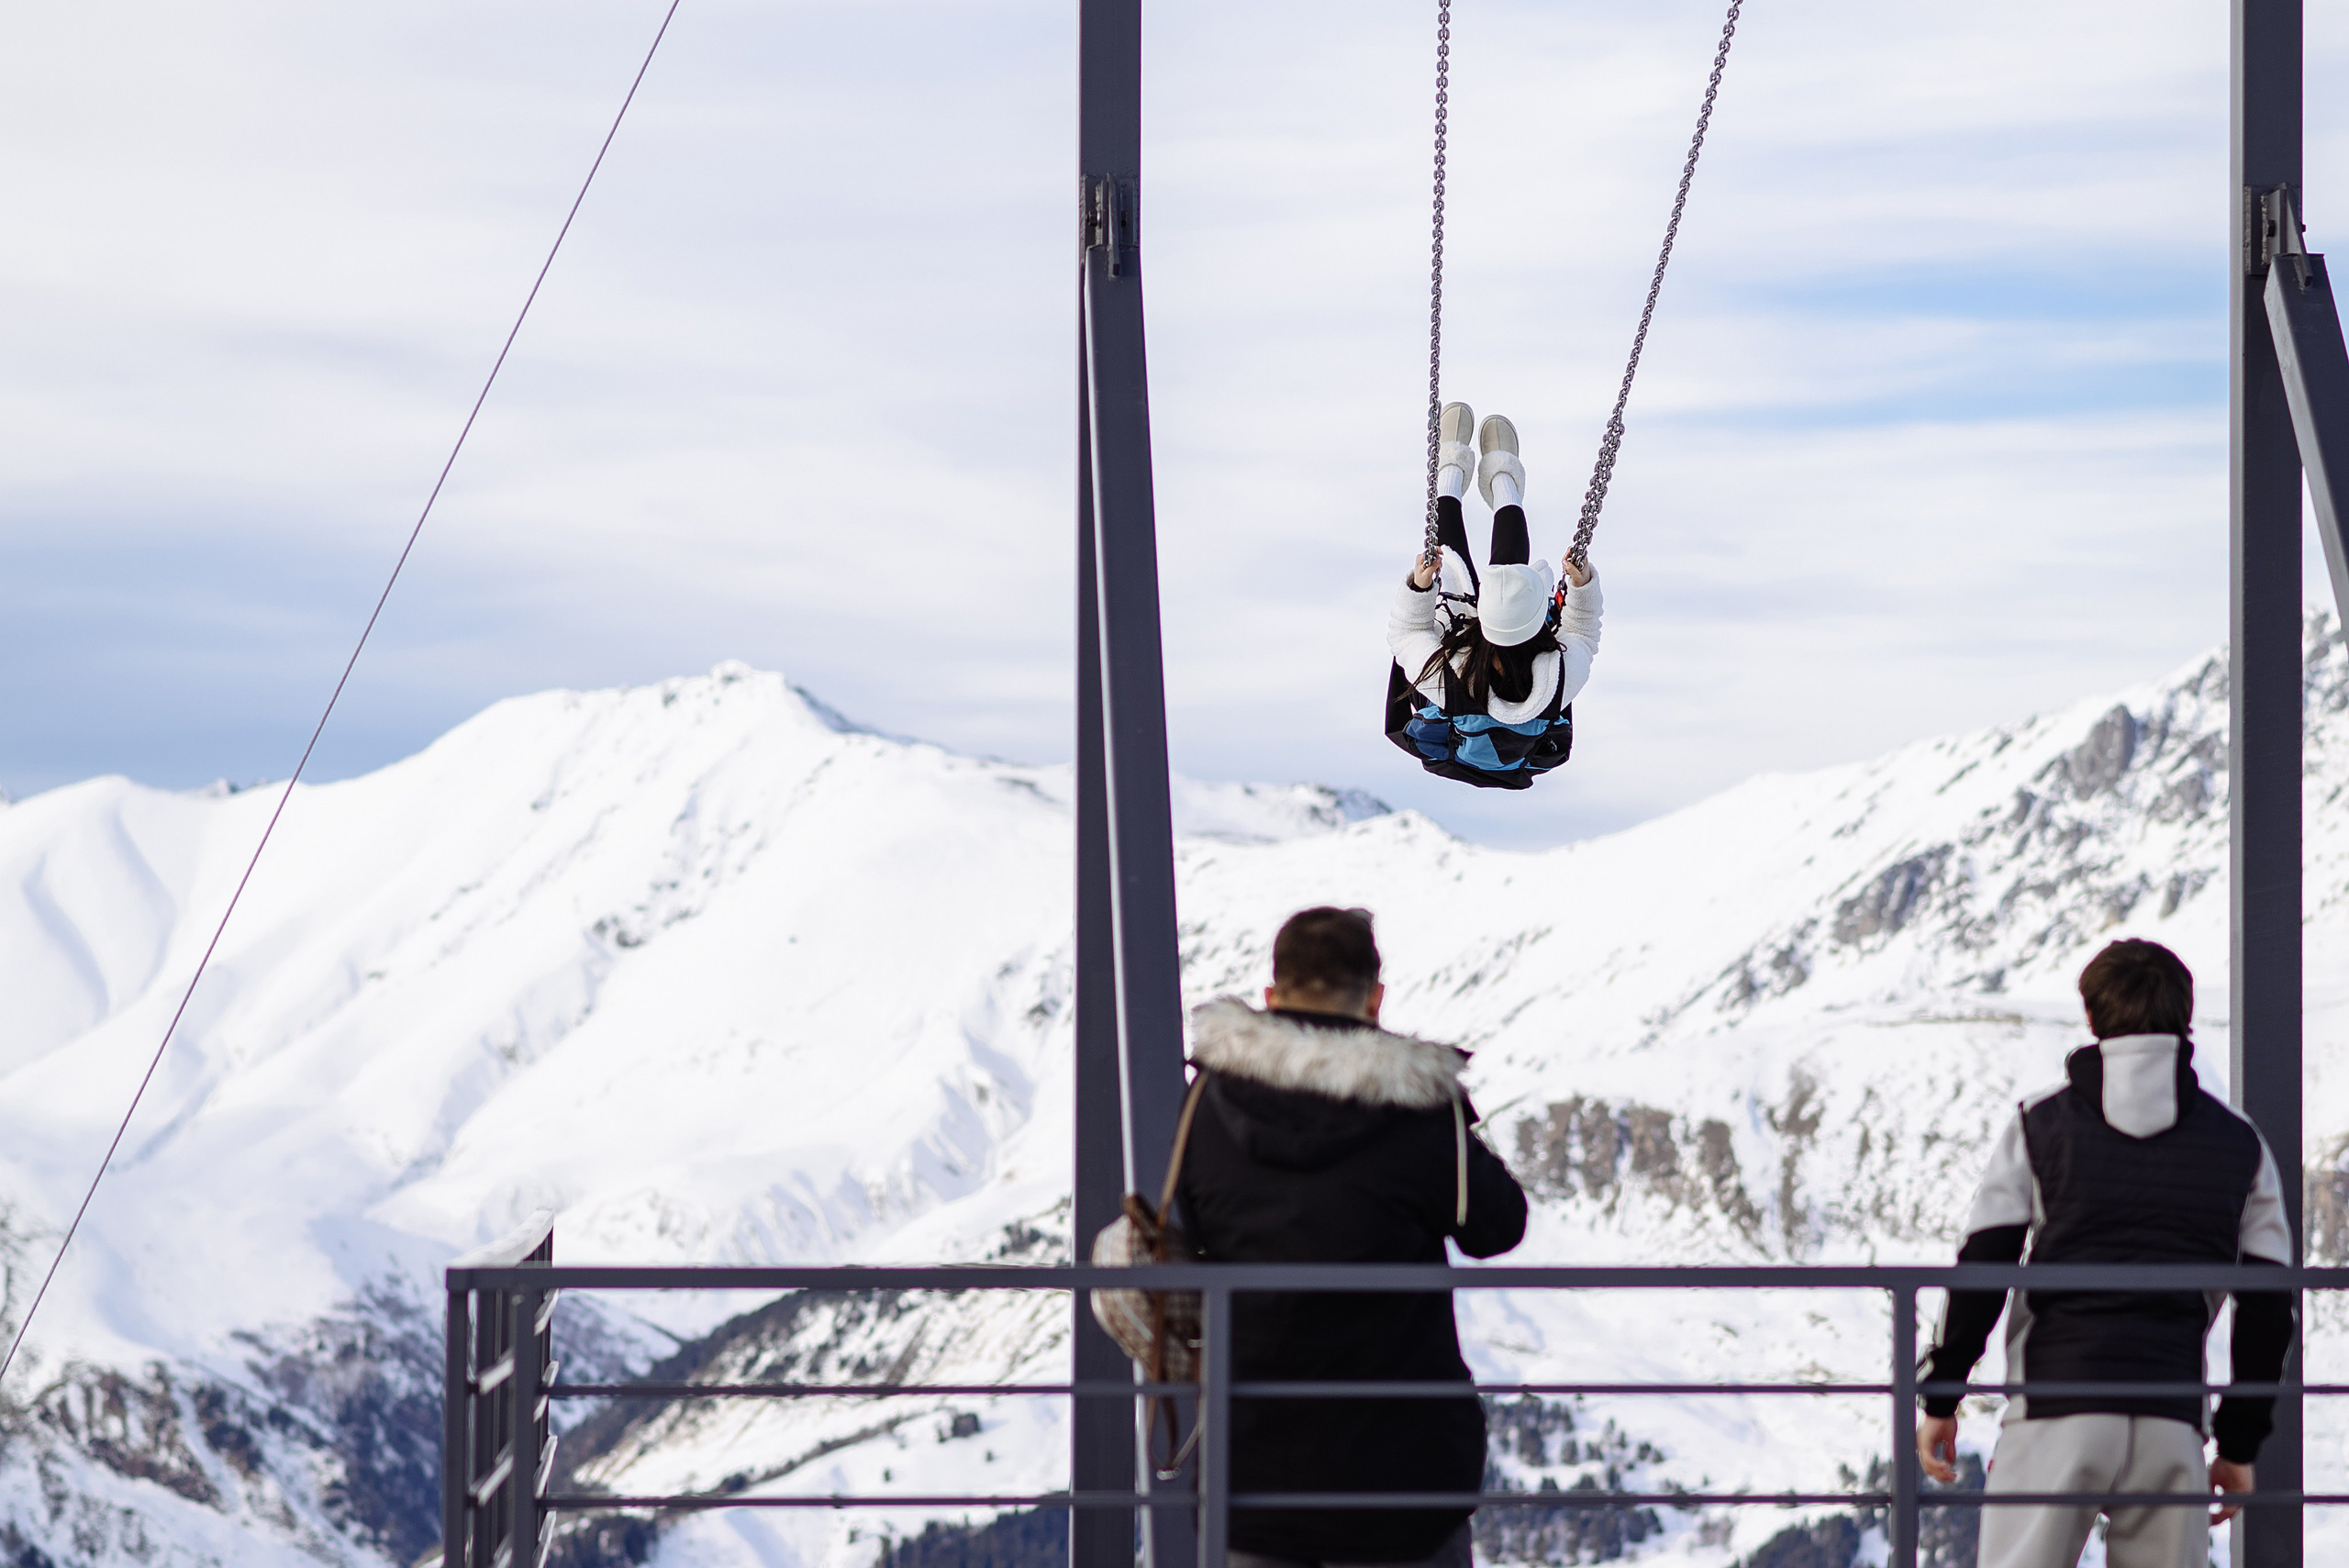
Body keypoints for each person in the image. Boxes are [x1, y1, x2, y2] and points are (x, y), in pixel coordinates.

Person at [1914, 939, 2296, 1568]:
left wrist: (1941, 1396)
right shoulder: (2241, 1144)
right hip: (2171, 1417)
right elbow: (2268, 1307)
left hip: (2054, 1409)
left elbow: (1983, 1268)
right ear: (2185, 1017)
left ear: (2092, 1015)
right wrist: (2238, 1443)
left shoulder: (2038, 1125)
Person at [1176, 906, 1528, 1568]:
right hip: (1400, 1477)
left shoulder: (1205, 1103)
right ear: (1375, 999)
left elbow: (1180, 1229)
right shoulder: (1422, 1107)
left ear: (1271, 996)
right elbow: (1498, 1227)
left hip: (1249, 1470)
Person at [1386, 403, 1602, 784]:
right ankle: (1500, 478)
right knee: (1509, 586)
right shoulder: (1557, 676)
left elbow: (1407, 635)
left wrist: (1420, 588)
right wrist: (1581, 586)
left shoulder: (1447, 680)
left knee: (1454, 565)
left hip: (1460, 662)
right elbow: (1582, 632)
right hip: (1469, 662)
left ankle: (1459, 470)